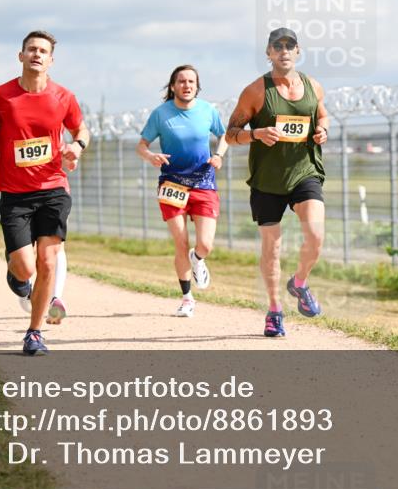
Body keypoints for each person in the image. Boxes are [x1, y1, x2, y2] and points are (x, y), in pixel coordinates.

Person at [0, 30, 89, 355]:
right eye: (32, 49)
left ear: (51, 60)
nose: (37, 54)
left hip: (54, 187)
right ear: (21, 55)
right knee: (25, 267)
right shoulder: (2, 95)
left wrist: (77, 147)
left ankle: (34, 334)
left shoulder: (63, 97)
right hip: (14, 193)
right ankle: (18, 276)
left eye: (43, 51)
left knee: (48, 261)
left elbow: (81, 129)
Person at [225, 28, 328, 337]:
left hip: (304, 172)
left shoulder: (312, 86)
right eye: (277, 46)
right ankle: (274, 310)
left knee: (316, 235)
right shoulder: (256, 91)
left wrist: (323, 131)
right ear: (268, 53)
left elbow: (322, 117)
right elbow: (230, 133)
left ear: (298, 52)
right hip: (267, 180)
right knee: (273, 247)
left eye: (290, 45)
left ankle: (298, 283)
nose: (284, 50)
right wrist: (256, 134)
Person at [137, 65, 228, 318]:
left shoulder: (208, 110)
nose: (186, 85)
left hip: (203, 183)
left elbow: (224, 136)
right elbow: (141, 145)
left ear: (197, 86)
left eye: (191, 81)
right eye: (181, 81)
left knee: (205, 244)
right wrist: (151, 156)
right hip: (172, 185)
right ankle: (187, 298)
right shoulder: (161, 114)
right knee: (181, 242)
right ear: (173, 86)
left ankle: (198, 259)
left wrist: (218, 156)